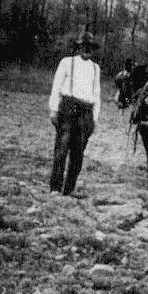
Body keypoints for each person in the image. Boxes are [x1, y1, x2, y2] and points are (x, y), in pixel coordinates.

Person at [48, 30, 101, 196]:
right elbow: (56, 87)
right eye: (84, 47)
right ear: (78, 48)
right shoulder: (66, 62)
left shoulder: (95, 68)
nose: (87, 50)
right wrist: (53, 109)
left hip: (86, 112)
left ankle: (69, 189)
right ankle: (55, 188)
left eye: (90, 48)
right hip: (68, 108)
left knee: (78, 154)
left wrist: (95, 118)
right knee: (62, 150)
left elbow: (97, 94)